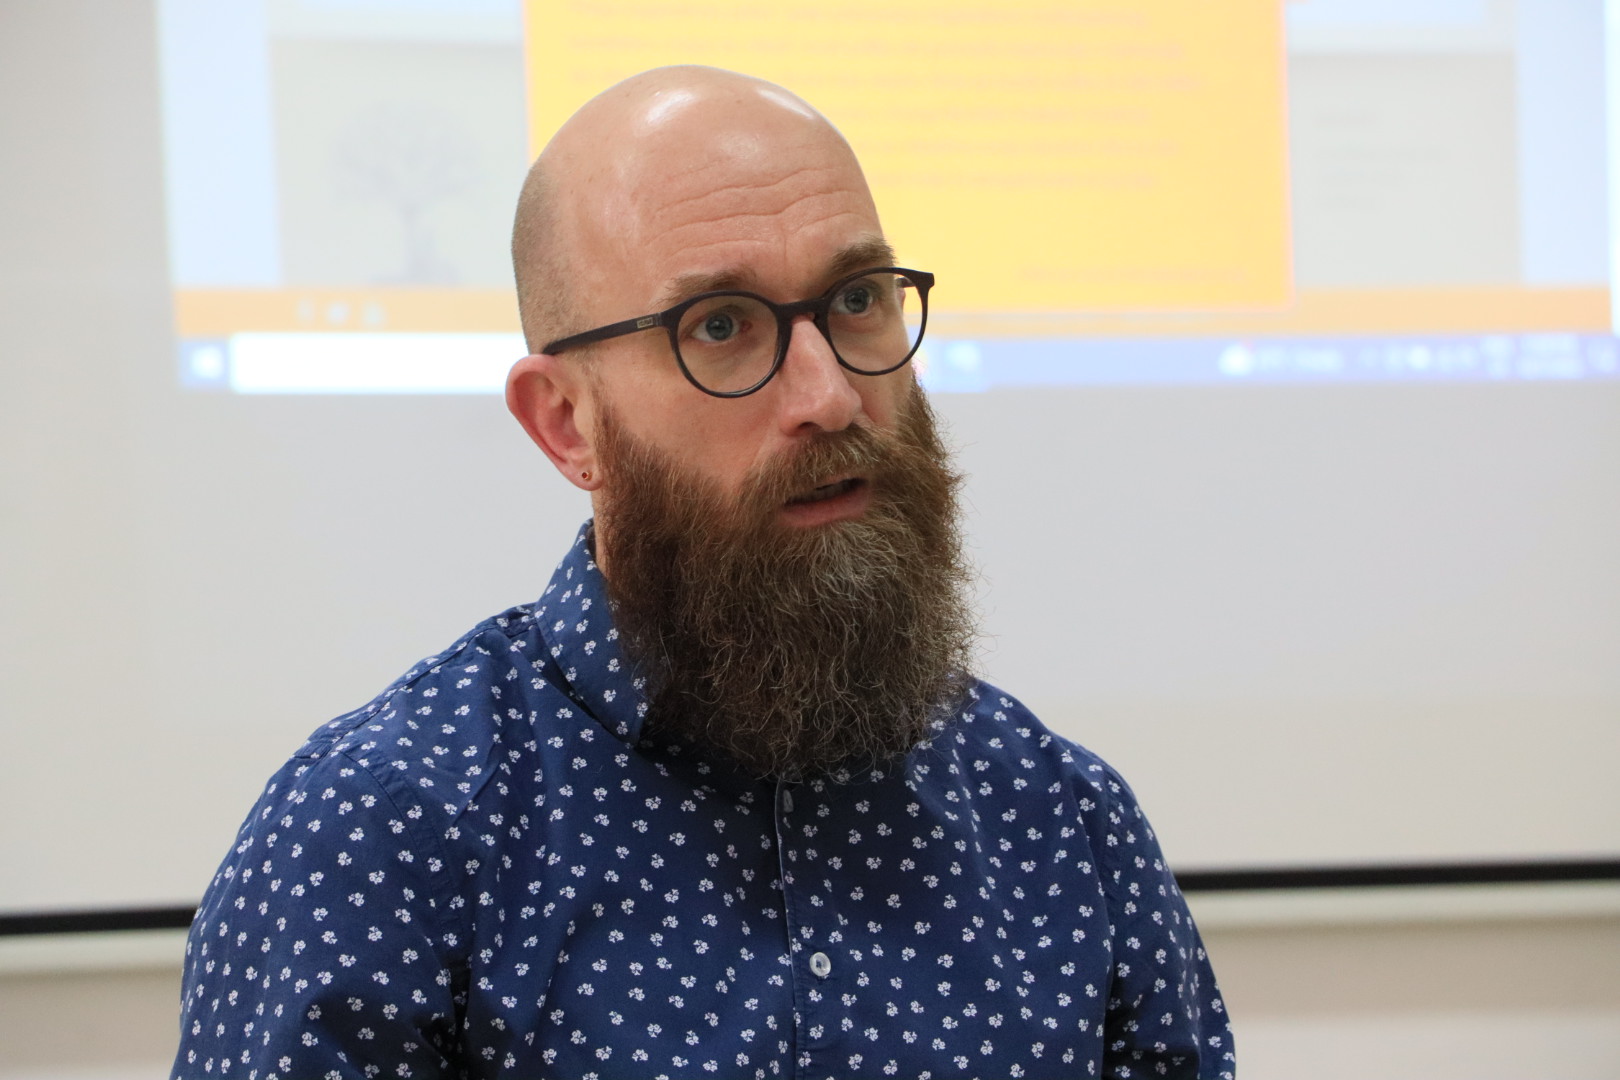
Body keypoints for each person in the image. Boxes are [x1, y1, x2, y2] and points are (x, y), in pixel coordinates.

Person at [172, 66, 1233, 1080]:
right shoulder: (380, 837)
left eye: (858, 299)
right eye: (720, 327)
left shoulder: (1060, 823)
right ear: (567, 423)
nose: (829, 395)